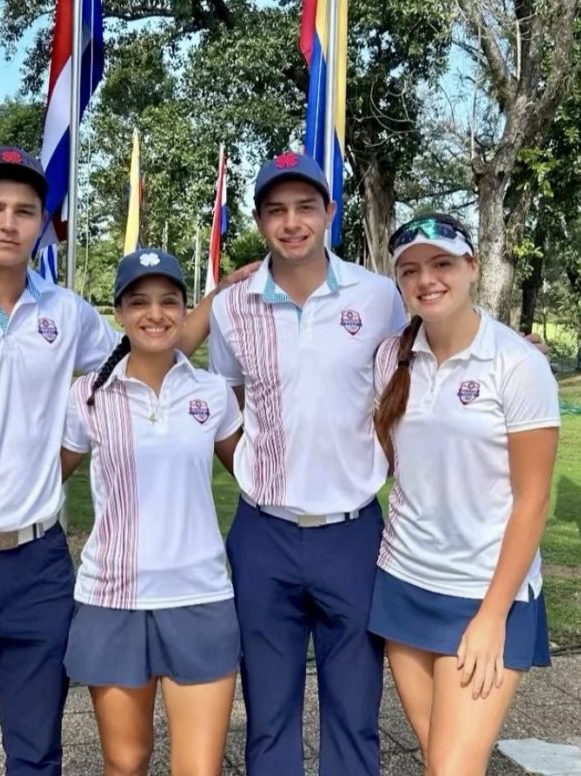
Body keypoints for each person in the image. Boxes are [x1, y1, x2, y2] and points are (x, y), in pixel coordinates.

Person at [0, 147, 247, 776]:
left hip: (37, 567)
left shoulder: (66, 315)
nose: (8, 223)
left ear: (43, 222)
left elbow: (151, 341)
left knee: (38, 754)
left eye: (24, 210)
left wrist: (223, 294)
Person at [207, 151, 409, 776]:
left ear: (328, 212)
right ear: (261, 220)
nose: (291, 223)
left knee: (353, 710)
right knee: (268, 710)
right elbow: (225, 400)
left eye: (304, 208)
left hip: (352, 532)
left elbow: (409, 378)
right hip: (262, 534)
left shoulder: (378, 297)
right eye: (276, 211)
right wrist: (252, 467)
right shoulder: (231, 305)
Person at [369, 213, 560, 775]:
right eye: (411, 270)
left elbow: (533, 500)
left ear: (472, 267)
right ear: (399, 283)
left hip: (484, 594)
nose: (427, 279)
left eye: (442, 263)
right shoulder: (389, 358)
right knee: (441, 761)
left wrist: (491, 616)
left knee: (451, 769)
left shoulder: (517, 364)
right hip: (403, 582)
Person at [59, 248, 243, 776]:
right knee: (125, 761)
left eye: (168, 301)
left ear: (186, 311)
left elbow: (256, 474)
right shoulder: (89, 397)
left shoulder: (212, 393)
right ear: (118, 312)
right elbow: (47, 476)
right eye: (139, 301)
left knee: (199, 770)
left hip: (201, 596)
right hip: (113, 597)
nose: (154, 313)